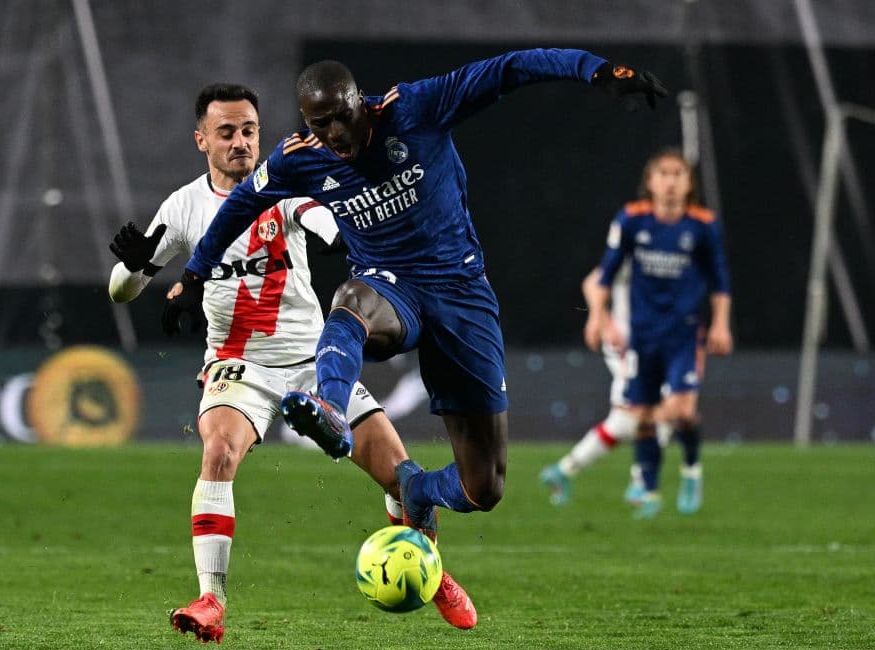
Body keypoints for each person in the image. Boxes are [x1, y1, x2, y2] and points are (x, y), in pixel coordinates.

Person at [168, 51, 667, 536]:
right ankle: (332, 413)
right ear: (307, 120)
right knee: (351, 301)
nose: (336, 135)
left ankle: (419, 489)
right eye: (321, 124)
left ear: (359, 102)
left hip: (461, 293)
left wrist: (596, 70)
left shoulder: (415, 108)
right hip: (390, 288)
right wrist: (194, 276)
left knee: (484, 487)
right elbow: (240, 206)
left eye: (343, 118)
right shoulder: (300, 157)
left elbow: (508, 69)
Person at [107, 83, 475, 644]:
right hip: (239, 364)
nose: (240, 143)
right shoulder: (182, 207)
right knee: (218, 449)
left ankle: (432, 572)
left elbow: (323, 220)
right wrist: (133, 270)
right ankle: (211, 599)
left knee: (402, 478)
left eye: (249, 130)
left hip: (313, 360)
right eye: (226, 132)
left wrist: (339, 230)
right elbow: (123, 293)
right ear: (201, 139)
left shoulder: (283, 185)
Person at [585, 148, 733, 518]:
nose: (670, 181)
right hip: (643, 336)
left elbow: (720, 281)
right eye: (663, 174)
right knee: (641, 414)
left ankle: (691, 468)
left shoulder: (702, 225)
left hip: (682, 335)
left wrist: (720, 324)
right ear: (650, 182)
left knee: (682, 411)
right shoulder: (632, 220)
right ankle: (649, 489)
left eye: (678, 174)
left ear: (688, 183)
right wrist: (597, 318)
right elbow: (605, 274)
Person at [538, 263, 676, 507]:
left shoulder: (669, 247)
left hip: (655, 339)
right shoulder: (634, 247)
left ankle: (564, 470)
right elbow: (592, 282)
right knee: (660, 409)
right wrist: (604, 321)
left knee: (628, 420)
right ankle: (642, 485)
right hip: (627, 339)